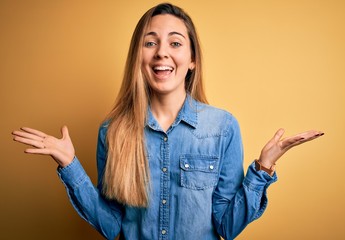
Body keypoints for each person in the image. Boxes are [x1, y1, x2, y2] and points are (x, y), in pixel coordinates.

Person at [12, 3, 324, 240]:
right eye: (150, 43)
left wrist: (263, 168)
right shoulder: (113, 132)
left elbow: (227, 227)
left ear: (192, 61)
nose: (162, 53)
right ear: (139, 56)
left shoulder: (223, 128)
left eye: (175, 43)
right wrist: (70, 167)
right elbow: (111, 227)